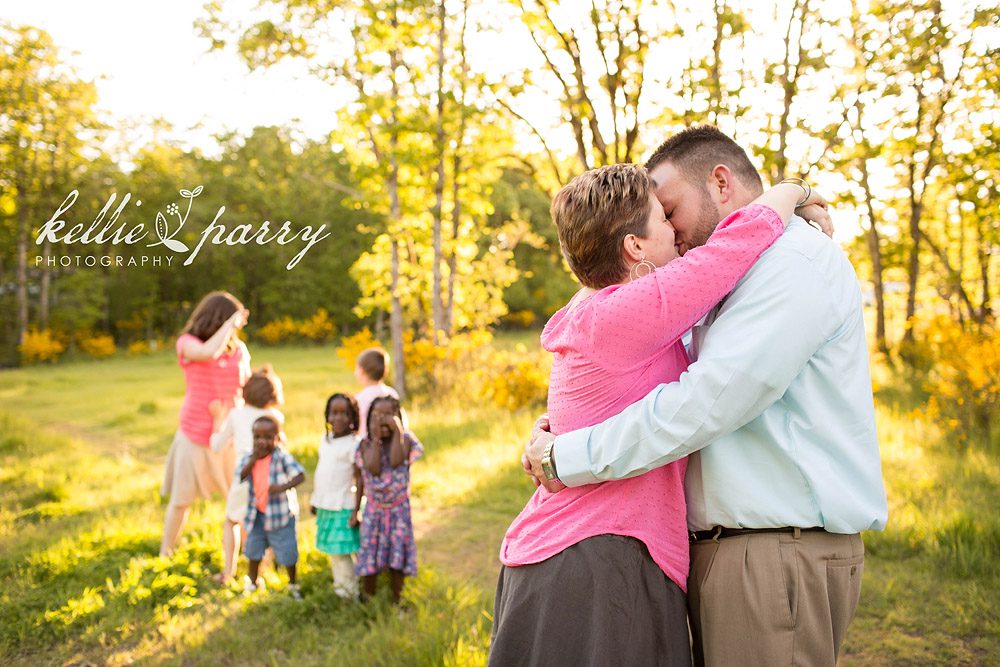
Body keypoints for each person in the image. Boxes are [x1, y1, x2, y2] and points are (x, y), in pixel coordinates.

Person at [524, 126, 888, 667]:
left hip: (775, 550)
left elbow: (704, 402)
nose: (669, 230)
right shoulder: (711, 279)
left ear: (720, 183)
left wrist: (567, 455)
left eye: (670, 211)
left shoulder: (790, 263)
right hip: (714, 553)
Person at [160, 290, 251, 557]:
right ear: (220, 319)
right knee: (181, 500)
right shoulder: (187, 343)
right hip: (194, 434)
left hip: (229, 437)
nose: (235, 329)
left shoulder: (239, 349)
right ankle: (166, 553)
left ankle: (252, 555)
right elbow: (208, 352)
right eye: (232, 322)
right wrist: (230, 324)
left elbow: (245, 386)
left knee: (240, 501)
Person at [208, 364, 285, 584]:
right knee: (264, 522)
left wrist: (217, 419)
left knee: (231, 521)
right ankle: (264, 569)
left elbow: (216, 445)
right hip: (269, 478)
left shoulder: (236, 415)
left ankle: (228, 571)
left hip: (244, 476)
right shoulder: (275, 417)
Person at [355, 396, 422, 605]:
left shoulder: (406, 440)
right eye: (377, 415)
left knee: (397, 553)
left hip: (399, 510)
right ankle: (368, 599)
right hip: (374, 509)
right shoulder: (365, 444)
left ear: (398, 418)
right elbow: (374, 468)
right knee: (370, 552)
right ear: (369, 419)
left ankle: (396, 599)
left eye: (388, 415)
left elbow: (395, 461)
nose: (383, 420)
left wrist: (398, 432)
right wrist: (376, 438)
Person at [238, 415, 306, 599]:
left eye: (268, 437)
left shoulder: (281, 457)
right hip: (257, 515)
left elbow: (300, 475)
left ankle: (293, 584)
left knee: (288, 552)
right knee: (253, 551)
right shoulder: (249, 457)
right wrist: (253, 460)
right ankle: (253, 583)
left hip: (281, 516)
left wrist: (282, 487)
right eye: (257, 437)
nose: (262, 442)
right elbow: (241, 476)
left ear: (277, 438)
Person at [312, 392, 363, 599]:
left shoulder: (354, 444)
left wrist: (356, 510)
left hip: (344, 506)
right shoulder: (326, 440)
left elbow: (360, 479)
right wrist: (315, 500)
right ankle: (341, 588)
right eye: (334, 413)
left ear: (353, 417)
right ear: (327, 416)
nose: (338, 418)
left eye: (344, 413)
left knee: (344, 552)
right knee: (335, 551)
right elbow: (322, 473)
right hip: (326, 505)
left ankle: (351, 593)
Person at [354, 347, 398, 439]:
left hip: (368, 443)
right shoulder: (392, 393)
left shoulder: (359, 399)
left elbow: (357, 429)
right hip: (391, 441)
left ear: (361, 371)